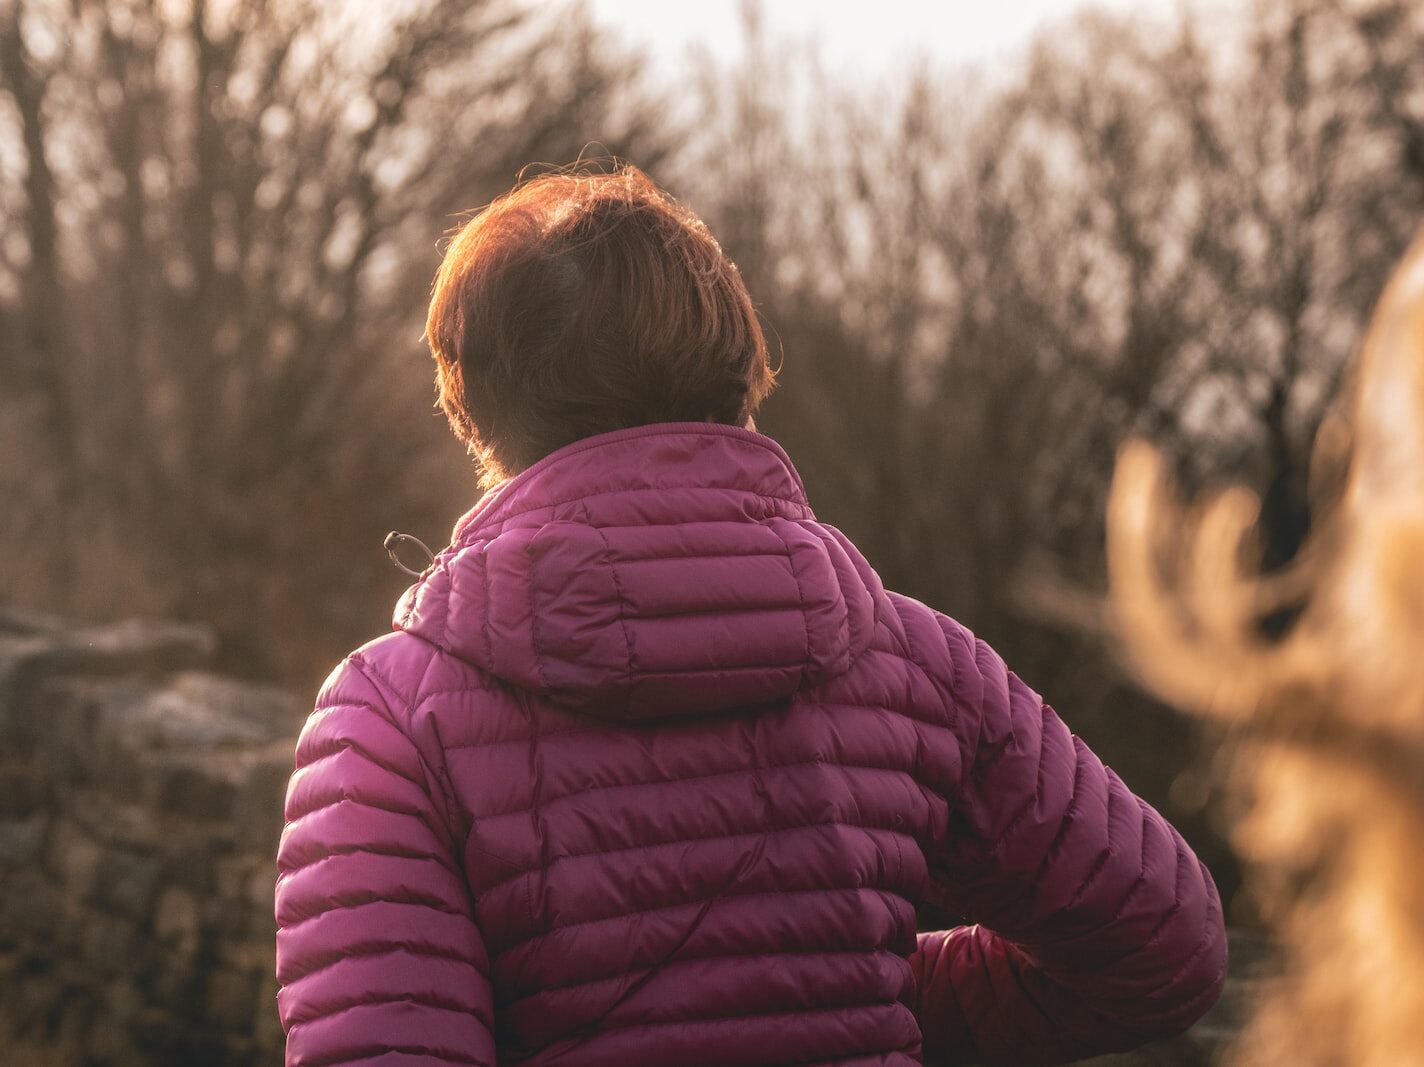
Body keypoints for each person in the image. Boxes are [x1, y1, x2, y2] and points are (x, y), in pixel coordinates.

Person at [273, 164, 1227, 1066]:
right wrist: (866, 1003)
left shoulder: (385, 722)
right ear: (737, 370)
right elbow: (1165, 943)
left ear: (472, 405)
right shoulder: (922, 663)